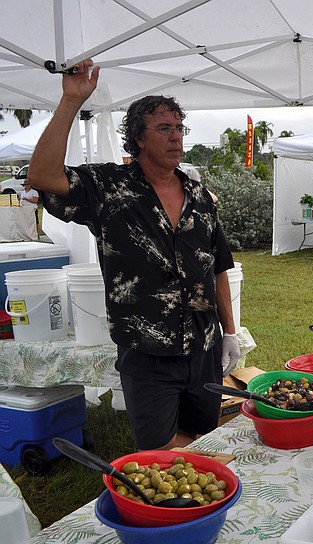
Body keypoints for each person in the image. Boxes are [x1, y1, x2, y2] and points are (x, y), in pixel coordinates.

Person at [28, 59, 241, 452]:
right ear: (139, 139)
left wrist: (229, 332)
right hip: (148, 351)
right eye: (164, 129)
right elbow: (42, 176)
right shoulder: (110, 188)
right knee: (158, 448)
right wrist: (70, 102)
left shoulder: (199, 197)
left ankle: (193, 507)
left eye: (179, 129)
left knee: (202, 439)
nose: (176, 138)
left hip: (204, 345)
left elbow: (219, 267)